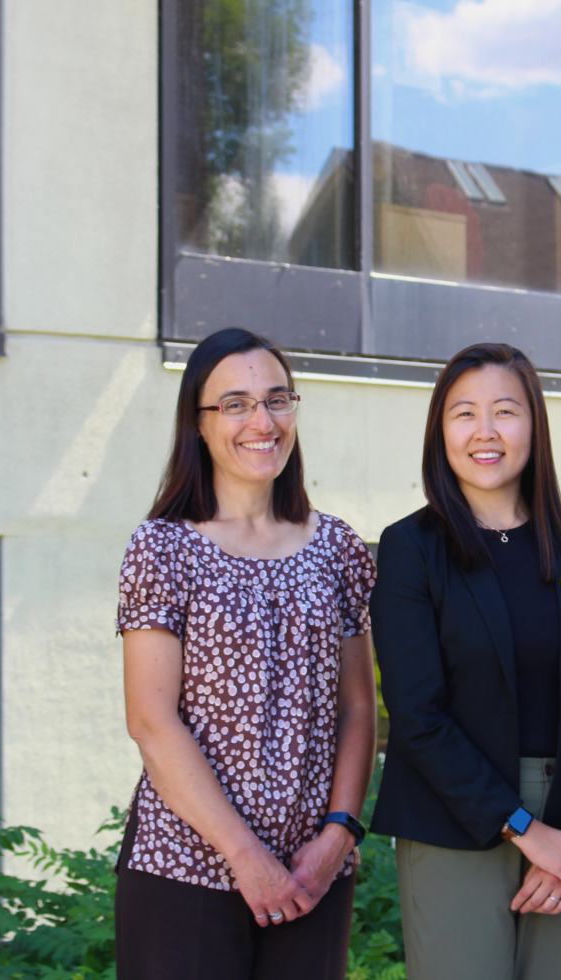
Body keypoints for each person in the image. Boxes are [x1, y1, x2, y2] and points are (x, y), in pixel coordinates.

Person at [114, 327, 377, 980]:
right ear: (198, 425)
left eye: (277, 399)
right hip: (185, 867)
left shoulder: (339, 548)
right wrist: (245, 857)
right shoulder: (164, 549)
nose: (261, 421)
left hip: (312, 875)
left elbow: (358, 707)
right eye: (234, 404)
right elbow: (151, 720)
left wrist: (339, 835)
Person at [370, 343, 561, 980]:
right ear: (441, 432)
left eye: (505, 411)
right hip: (454, 816)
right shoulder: (411, 548)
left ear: (533, 426)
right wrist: (524, 829)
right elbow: (417, 716)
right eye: (464, 414)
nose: (485, 432)